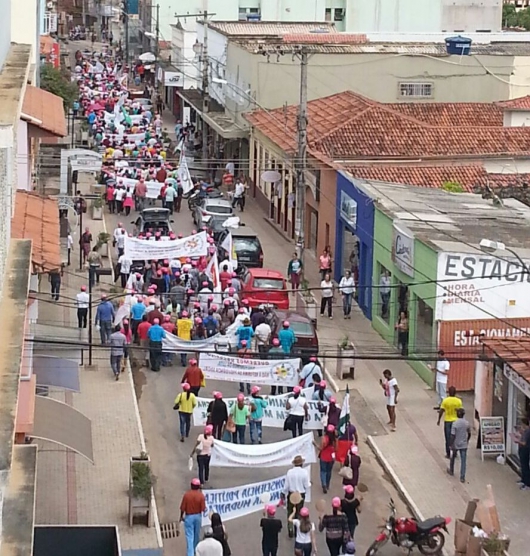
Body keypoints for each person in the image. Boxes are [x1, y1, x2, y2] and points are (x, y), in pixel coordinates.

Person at [284, 455, 311, 537]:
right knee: (299, 513)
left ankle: (290, 528)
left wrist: (283, 493)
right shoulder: (304, 472)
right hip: (300, 494)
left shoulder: (289, 472)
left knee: (290, 512)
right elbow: (306, 485)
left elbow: (286, 485)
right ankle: (297, 529)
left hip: (291, 493)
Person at [179, 478, 206, 556]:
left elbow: (182, 508)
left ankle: (190, 554)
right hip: (198, 517)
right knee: (196, 535)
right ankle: (196, 552)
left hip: (189, 517)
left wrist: (181, 517)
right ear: (198, 487)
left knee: (189, 536)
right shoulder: (201, 496)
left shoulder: (187, 495)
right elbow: (203, 509)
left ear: (191, 486)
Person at [437, 386, 463, 459]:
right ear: (455, 393)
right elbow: (461, 411)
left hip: (448, 421)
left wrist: (438, 420)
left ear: (448, 392)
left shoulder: (445, 401)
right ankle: (455, 452)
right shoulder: (458, 401)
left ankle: (448, 453)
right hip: (456, 421)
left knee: (448, 437)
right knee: (455, 437)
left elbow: (441, 410)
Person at [447, 407, 471, 483]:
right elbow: (469, 433)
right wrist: (467, 440)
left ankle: (451, 470)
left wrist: (451, 444)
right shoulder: (467, 423)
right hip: (464, 444)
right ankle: (462, 477)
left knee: (452, 457)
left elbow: (452, 435)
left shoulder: (455, 423)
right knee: (463, 461)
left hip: (456, 443)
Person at [316, 424, 337, 493]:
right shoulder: (335, 440)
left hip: (324, 457)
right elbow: (336, 449)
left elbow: (320, 448)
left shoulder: (324, 438)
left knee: (323, 471)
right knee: (329, 471)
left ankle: (324, 484)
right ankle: (327, 485)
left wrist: (315, 444)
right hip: (331, 458)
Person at [515, 418, 530, 490]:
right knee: (523, 466)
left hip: (525, 450)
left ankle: (527, 483)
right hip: (523, 450)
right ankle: (523, 480)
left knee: (525, 466)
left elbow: (524, 443)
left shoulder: (528, 432)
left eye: (521, 424)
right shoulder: (525, 431)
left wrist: (517, 441)